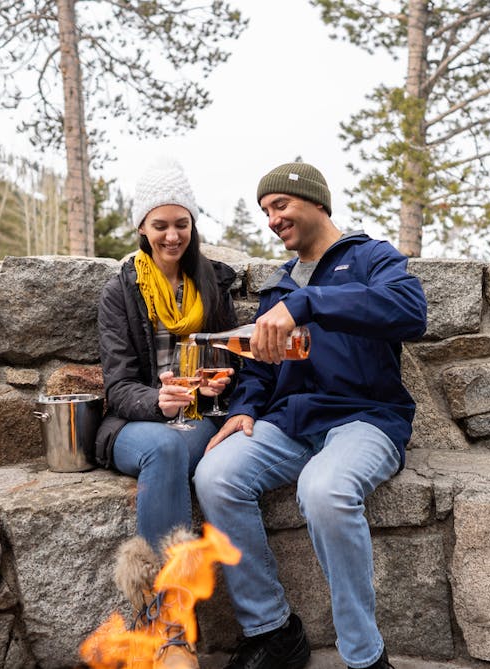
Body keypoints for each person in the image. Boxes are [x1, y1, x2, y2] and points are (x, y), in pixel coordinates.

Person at [193, 162, 428, 669]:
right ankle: (273, 631)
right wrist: (246, 409)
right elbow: (260, 367)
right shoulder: (278, 287)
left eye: (280, 205)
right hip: (292, 422)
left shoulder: (371, 257)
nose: (272, 219)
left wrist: (310, 303)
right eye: (265, 212)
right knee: (215, 475)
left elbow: (411, 313)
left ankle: (365, 657)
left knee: (323, 491)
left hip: (366, 419)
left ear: (317, 202)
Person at [95, 159, 238, 552]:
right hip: (132, 425)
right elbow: (119, 386)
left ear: (193, 225)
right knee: (163, 447)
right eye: (161, 226)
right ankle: (162, 588)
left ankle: (171, 597)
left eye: (182, 224)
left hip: (196, 421)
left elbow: (232, 360)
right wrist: (156, 400)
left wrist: (218, 384)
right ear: (142, 227)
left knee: (174, 447)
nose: (173, 236)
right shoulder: (120, 293)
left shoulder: (213, 284)